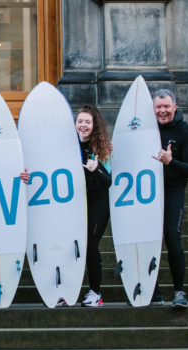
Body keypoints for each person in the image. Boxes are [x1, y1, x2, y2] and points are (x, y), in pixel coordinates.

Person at [152, 89, 188, 308]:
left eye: (166, 107)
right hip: (149, 192)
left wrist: (171, 162)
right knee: (149, 239)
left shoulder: (185, 131)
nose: (162, 111)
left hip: (173, 191)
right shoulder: (146, 129)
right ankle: (154, 291)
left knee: (171, 236)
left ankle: (179, 291)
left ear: (175, 107)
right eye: (158, 107)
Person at [74, 105, 112, 307]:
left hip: (98, 202)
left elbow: (108, 182)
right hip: (75, 202)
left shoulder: (102, 147)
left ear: (94, 124)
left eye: (87, 122)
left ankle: (96, 292)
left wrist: (96, 168)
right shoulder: (69, 145)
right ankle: (67, 291)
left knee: (90, 245)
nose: (83, 125)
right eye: (80, 121)